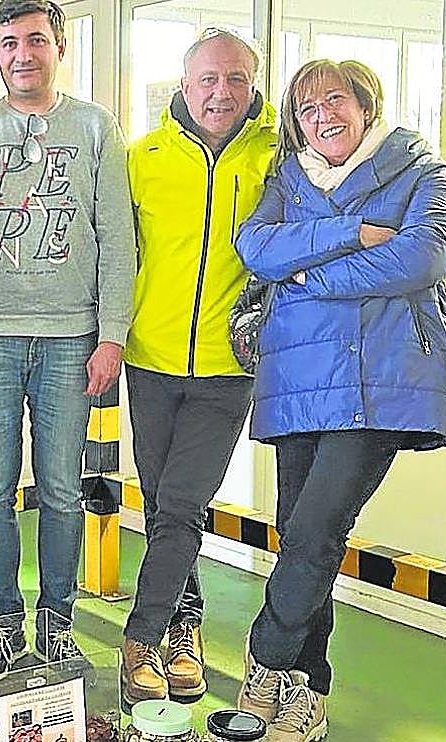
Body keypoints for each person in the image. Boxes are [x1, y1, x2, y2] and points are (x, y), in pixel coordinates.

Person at [234, 59, 446, 742]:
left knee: (317, 528)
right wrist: (356, 234)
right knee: (305, 536)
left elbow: (423, 257)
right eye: (306, 108)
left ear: (367, 105)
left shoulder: (422, 168)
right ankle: (310, 689)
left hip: (379, 381)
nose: (322, 116)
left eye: (336, 100)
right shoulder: (287, 177)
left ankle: (265, 664)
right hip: (300, 377)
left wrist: (304, 274)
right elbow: (254, 246)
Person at [0, 0, 136, 677]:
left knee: (60, 489)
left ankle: (55, 622)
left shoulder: (96, 128)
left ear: (59, 47)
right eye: (11, 42)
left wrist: (111, 336)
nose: (24, 53)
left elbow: (117, 238)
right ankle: (1, 625)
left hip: (71, 340)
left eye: (38, 40)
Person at [121, 28, 277, 706]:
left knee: (182, 503)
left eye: (236, 79)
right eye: (208, 79)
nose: (222, 93)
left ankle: (140, 640)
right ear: (183, 87)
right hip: (149, 358)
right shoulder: (141, 157)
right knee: (163, 506)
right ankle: (186, 627)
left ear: (254, 87)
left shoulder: (279, 156)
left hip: (227, 364)